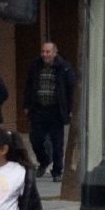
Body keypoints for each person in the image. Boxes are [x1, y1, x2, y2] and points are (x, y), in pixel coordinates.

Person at [23, 42, 76, 182]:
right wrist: (26, 105)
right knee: (35, 138)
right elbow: (29, 86)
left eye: (48, 52)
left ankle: (57, 171)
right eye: (43, 52)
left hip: (56, 110)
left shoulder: (64, 67)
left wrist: (70, 108)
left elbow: (71, 89)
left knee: (57, 142)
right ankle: (44, 161)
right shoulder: (35, 65)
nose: (44, 55)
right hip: (38, 109)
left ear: (55, 53)